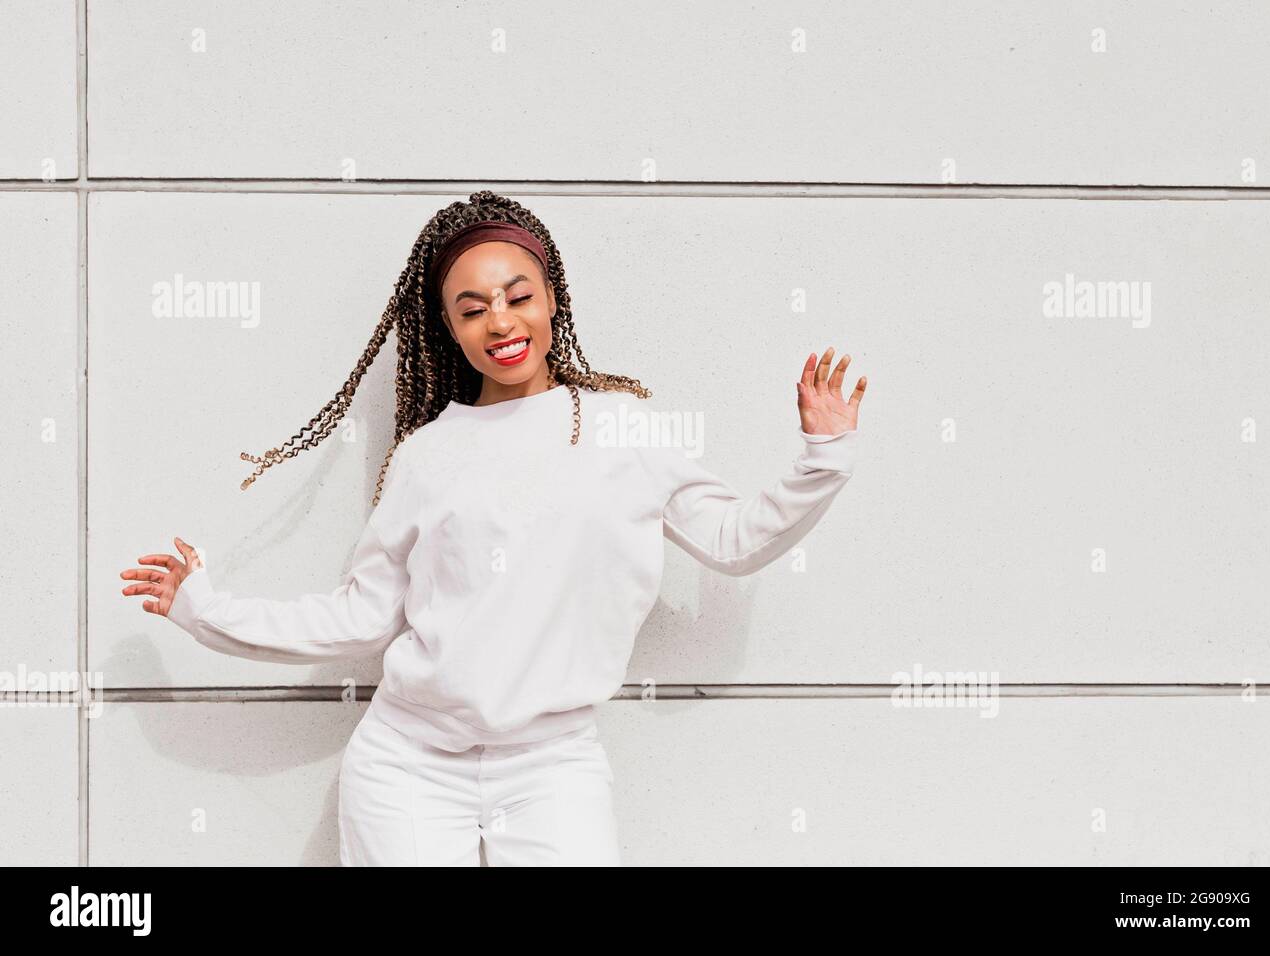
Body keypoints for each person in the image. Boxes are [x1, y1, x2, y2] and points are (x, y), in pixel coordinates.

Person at [119, 190, 867, 866]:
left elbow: (733, 541)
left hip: (553, 764)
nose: (500, 322)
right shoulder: (427, 454)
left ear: (553, 299)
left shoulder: (621, 432)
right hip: (407, 762)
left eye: (518, 296)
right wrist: (204, 608)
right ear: (448, 326)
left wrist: (824, 457)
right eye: (472, 308)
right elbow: (360, 614)